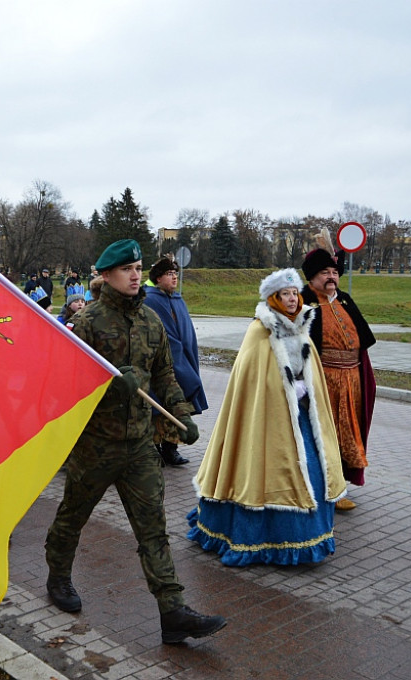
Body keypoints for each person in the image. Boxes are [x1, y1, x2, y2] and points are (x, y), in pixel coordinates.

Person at [45, 239, 226, 645]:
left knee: (152, 529)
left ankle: (172, 611)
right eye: (125, 269)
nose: (134, 275)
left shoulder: (150, 321)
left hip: (140, 446)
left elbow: (165, 376)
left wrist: (180, 417)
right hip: (96, 446)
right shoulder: (87, 323)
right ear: (106, 275)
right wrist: (111, 387)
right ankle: (57, 575)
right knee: (73, 516)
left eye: (138, 267)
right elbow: (66, 385)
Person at [187, 269, 346, 566]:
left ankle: (306, 538)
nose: (291, 299)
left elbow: (310, 371)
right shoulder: (260, 331)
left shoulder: (301, 328)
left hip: (300, 418)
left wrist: (305, 387)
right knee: (262, 471)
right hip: (266, 422)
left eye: (294, 294)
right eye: (284, 294)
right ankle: (256, 538)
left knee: (311, 469)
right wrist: (283, 387)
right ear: (274, 298)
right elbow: (254, 380)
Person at [300, 239, 376, 511]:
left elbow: (363, 339)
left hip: (352, 379)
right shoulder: (302, 301)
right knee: (322, 434)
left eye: (334, 272)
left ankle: (340, 483)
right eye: (325, 273)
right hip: (322, 380)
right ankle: (323, 487)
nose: (332, 277)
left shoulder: (344, 299)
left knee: (347, 433)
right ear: (312, 277)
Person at [143, 257, 207, 467]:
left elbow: (186, 332)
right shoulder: (149, 299)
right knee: (158, 408)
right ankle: (156, 449)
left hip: (183, 361)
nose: (174, 278)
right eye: (170, 274)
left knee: (180, 406)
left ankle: (172, 448)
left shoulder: (177, 300)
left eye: (176, 274)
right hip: (162, 366)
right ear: (158, 278)